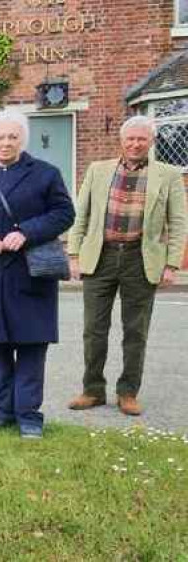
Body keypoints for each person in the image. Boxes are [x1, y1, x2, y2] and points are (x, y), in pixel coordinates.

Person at [0, 108, 75, 439]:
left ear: (23, 140)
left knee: (32, 347)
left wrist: (27, 232)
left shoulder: (45, 174)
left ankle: (30, 415)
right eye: (0, 137)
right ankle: (2, 411)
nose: (6, 143)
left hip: (31, 274)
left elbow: (64, 213)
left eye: (13, 137)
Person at [66, 116, 187, 416]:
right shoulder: (98, 170)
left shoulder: (169, 175)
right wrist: (74, 254)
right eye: (130, 139)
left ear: (151, 142)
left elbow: (178, 222)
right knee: (94, 329)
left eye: (141, 139)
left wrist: (171, 264)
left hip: (140, 259)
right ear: (121, 141)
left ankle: (128, 392)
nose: (135, 144)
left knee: (136, 331)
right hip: (100, 257)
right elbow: (81, 215)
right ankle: (92, 390)